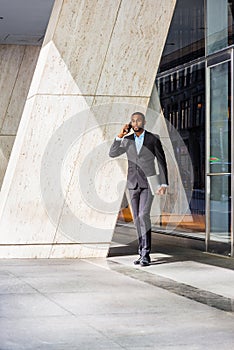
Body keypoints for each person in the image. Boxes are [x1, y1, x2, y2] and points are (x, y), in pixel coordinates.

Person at [109, 112, 169, 266]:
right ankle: (141, 251)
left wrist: (163, 184)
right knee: (136, 219)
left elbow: (162, 161)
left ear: (144, 122)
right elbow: (112, 153)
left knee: (143, 215)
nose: (136, 123)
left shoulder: (152, 138)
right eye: (133, 121)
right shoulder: (127, 140)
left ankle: (146, 254)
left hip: (148, 183)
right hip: (132, 184)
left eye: (138, 120)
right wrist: (120, 135)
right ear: (131, 123)